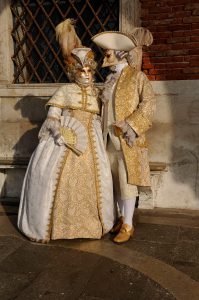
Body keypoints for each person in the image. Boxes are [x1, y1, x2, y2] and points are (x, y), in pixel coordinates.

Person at [17, 19, 114, 243]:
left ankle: (90, 225)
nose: (87, 75)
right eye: (81, 71)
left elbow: (102, 116)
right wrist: (60, 131)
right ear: (73, 72)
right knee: (56, 181)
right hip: (63, 144)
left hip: (91, 145)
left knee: (94, 183)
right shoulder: (64, 90)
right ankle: (56, 227)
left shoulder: (95, 93)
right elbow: (52, 117)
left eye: (90, 70)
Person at [92, 29, 156, 243]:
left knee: (128, 181)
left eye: (109, 52)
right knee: (115, 181)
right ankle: (120, 218)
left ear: (121, 53)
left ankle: (128, 224)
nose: (105, 56)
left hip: (128, 140)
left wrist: (130, 125)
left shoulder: (137, 77)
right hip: (108, 138)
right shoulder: (109, 79)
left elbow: (149, 105)